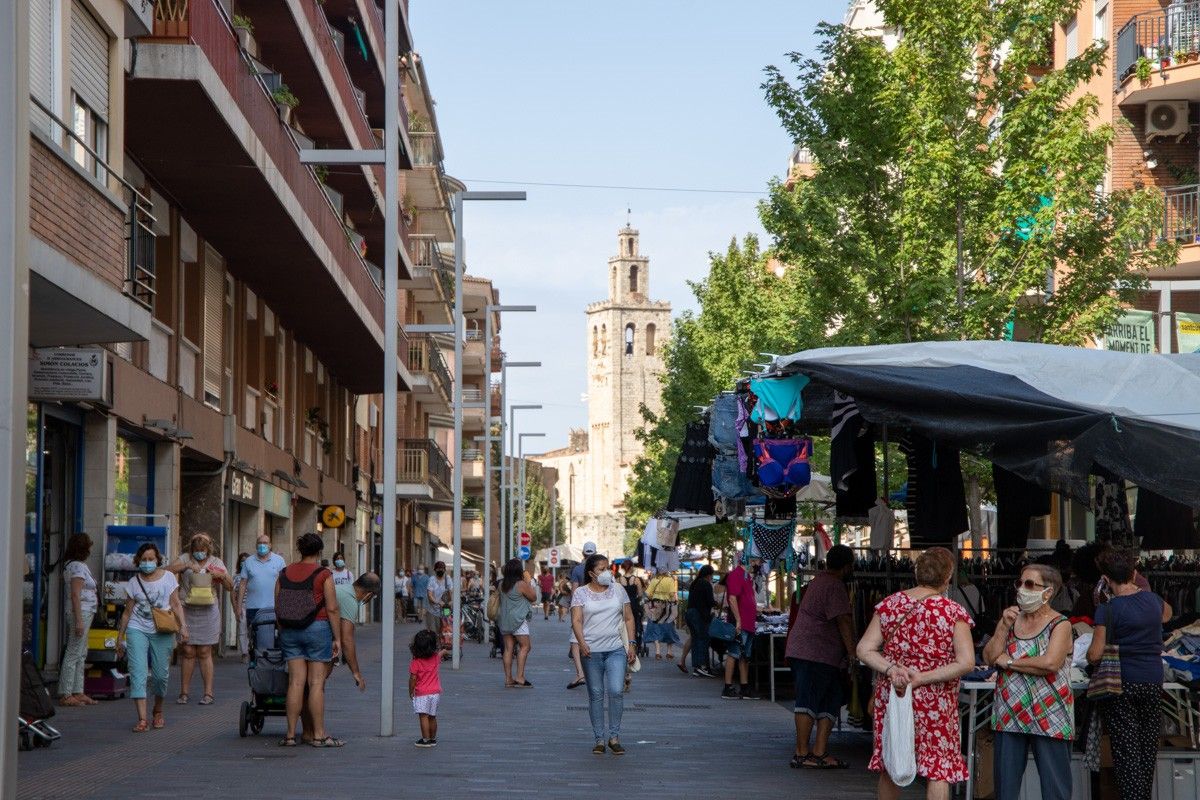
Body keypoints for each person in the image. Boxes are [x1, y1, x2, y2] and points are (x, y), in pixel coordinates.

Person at [856, 547, 975, 800]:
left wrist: (891, 669)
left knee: (891, 761)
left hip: (895, 693)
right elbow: (966, 663)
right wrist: (923, 677)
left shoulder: (889, 605)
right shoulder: (953, 612)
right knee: (938, 767)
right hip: (937, 699)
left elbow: (864, 649)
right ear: (948, 577)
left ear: (917, 573)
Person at [982, 564, 1074, 800]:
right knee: (1005, 788)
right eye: (1020, 583)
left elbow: (1051, 663)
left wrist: (1010, 663)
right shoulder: (1011, 620)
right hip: (1010, 713)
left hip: (1050, 714)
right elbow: (990, 657)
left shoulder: (1060, 624)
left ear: (1048, 592)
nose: (1022, 589)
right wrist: (1002, 627)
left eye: (1030, 584)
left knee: (1055, 788)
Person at [1087, 548, 1166, 800]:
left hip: (1123, 683)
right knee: (1146, 751)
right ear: (1133, 574)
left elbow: (1095, 654)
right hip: (1153, 680)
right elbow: (1168, 615)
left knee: (1127, 753)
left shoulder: (1108, 609)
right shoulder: (1154, 601)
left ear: (1106, 579)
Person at [786, 544, 856, 769]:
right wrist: (853, 652)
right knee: (808, 700)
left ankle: (819, 752)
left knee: (830, 699)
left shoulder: (819, 581)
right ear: (847, 567)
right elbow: (843, 620)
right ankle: (802, 753)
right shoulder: (834, 585)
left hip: (821, 654)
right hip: (813, 652)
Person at [276, 532, 343, 748]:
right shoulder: (324, 574)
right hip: (318, 628)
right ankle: (319, 735)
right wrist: (337, 638)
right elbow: (332, 608)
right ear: (319, 551)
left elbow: (277, 606)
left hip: (290, 630)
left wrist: (284, 630)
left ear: (300, 550)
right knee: (316, 684)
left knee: (295, 682)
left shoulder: (284, 572)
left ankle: (289, 735)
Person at [116, 542, 188, 732]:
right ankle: (142, 719)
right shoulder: (133, 583)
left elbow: (176, 604)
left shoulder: (169, 578)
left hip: (162, 629)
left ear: (158, 560)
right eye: (144, 560)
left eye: (151, 559)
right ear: (138, 561)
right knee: (138, 673)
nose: (147, 563)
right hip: (136, 629)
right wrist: (120, 637)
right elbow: (127, 613)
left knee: (160, 675)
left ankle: (157, 710)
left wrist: (183, 627)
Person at [571, 553, 636, 755]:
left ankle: (614, 737)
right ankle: (599, 738)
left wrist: (632, 643)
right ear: (591, 573)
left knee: (616, 691)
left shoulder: (618, 590)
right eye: (601, 569)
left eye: (608, 568)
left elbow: (629, 618)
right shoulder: (580, 593)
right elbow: (577, 621)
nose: (607, 572)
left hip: (616, 648)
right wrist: (581, 643)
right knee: (596, 695)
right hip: (591, 652)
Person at [168, 533, 231, 705]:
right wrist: (186, 566)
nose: (199, 553)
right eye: (196, 550)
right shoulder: (185, 559)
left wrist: (221, 575)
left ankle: (208, 693)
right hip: (186, 608)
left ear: (208, 549)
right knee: (187, 651)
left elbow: (230, 586)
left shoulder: (216, 562)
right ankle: (184, 692)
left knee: (204, 651)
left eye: (202, 550)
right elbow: (166, 571)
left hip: (208, 610)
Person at [60, 533, 98, 706]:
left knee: (81, 651)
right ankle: (67, 692)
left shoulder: (74, 565)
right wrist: (79, 621)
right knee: (74, 651)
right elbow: (75, 595)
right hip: (80, 612)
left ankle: (77, 690)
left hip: (84, 611)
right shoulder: (77, 567)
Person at [236, 533, 286, 649]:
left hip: (274, 607)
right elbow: (242, 584)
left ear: (270, 545)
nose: (262, 545)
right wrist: (239, 607)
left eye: (265, 543)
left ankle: (273, 662)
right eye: (260, 543)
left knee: (275, 638)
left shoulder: (279, 561)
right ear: (256, 545)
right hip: (253, 608)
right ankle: (256, 662)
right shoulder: (248, 561)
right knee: (255, 639)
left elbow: (284, 583)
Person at [722, 554, 761, 700]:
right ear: (749, 560)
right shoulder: (736, 575)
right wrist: (738, 620)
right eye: (756, 560)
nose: (758, 563)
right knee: (734, 653)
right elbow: (732, 598)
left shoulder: (746, 576)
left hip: (748, 623)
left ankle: (744, 687)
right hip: (741, 623)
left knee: (744, 655)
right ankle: (727, 686)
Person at [334, 572, 378, 692]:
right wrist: (356, 672)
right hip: (317, 637)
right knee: (316, 684)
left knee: (298, 682)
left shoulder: (343, 588)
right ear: (369, 594)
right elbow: (347, 640)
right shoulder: (350, 600)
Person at [498, 558, 536, 687]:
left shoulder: (501, 584)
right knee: (525, 646)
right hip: (518, 620)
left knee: (508, 649)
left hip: (504, 619)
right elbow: (533, 597)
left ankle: (508, 679)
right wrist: (528, 581)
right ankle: (520, 677)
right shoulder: (521, 584)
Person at [565, 542, 598, 689]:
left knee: (575, 641)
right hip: (597, 608)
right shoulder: (600, 570)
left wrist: (572, 610)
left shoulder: (577, 569)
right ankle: (595, 673)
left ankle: (580, 673)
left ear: (583, 554)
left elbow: (574, 591)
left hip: (581, 609)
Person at [409, 629, 442, 748]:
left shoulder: (415, 662)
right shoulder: (435, 658)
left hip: (422, 693)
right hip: (435, 693)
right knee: (432, 716)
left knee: (423, 716)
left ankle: (425, 739)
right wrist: (444, 651)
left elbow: (413, 678)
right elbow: (439, 655)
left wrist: (410, 690)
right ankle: (433, 738)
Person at [684, 565, 716, 678]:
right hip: (699, 614)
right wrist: (717, 604)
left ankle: (697, 667)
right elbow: (710, 601)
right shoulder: (706, 584)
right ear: (709, 575)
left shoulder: (695, 583)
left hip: (690, 613)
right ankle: (702, 666)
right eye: (712, 575)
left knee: (696, 639)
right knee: (703, 639)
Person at [644, 569, 681, 661]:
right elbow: (673, 595)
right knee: (669, 628)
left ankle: (657, 652)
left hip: (655, 606)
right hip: (667, 606)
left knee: (655, 627)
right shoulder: (670, 580)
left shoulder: (654, 580)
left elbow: (648, 594)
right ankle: (669, 652)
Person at [232, 552, 250, 661]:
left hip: (253, 604)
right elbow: (233, 593)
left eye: (246, 560)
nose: (244, 562)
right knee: (242, 629)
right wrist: (235, 608)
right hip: (242, 605)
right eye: (242, 560)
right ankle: (244, 653)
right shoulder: (236, 577)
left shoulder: (253, 575)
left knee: (252, 629)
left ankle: (253, 650)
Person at [426, 561, 452, 631]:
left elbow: (451, 592)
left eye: (442, 569)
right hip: (432, 610)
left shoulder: (448, 579)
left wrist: (451, 601)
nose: (440, 570)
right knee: (433, 631)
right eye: (438, 569)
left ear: (444, 570)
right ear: (435, 570)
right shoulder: (432, 579)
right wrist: (438, 602)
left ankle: (444, 641)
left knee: (446, 629)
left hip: (445, 608)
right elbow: (430, 595)